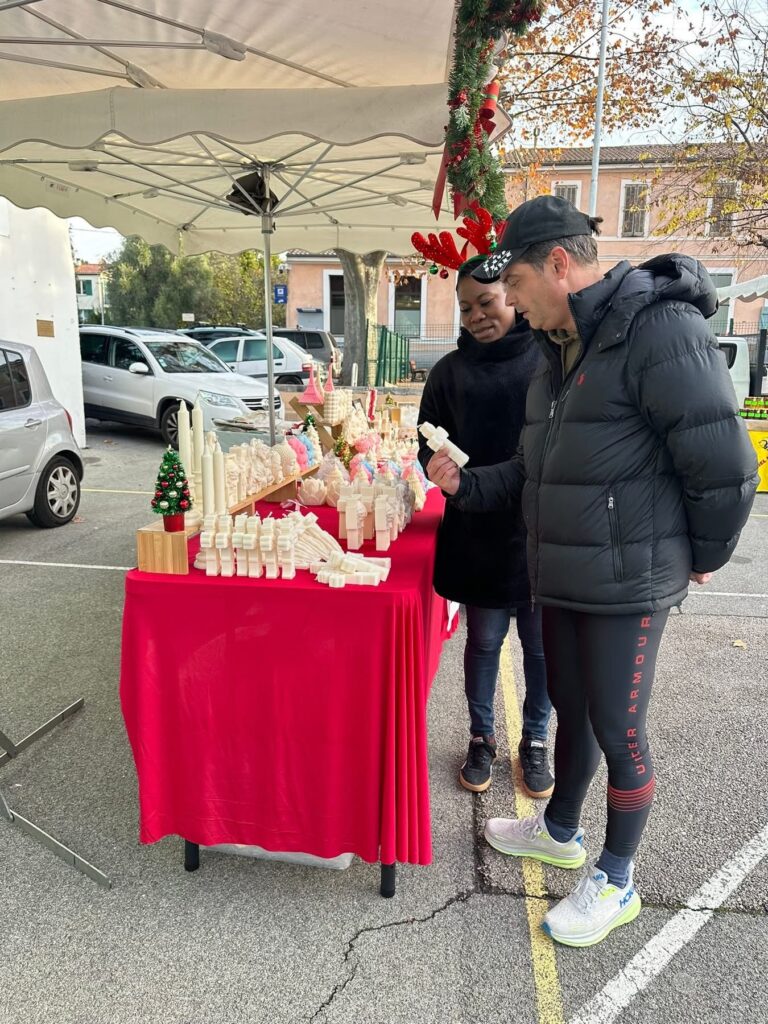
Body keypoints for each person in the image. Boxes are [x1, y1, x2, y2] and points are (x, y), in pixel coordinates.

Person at [427, 195, 758, 947]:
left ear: (557, 265)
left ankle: (617, 877)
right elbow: (533, 470)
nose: (509, 302)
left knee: (617, 728)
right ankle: (561, 830)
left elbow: (726, 464)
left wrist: (702, 555)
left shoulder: (658, 329)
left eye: (514, 284)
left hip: (627, 580)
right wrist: (465, 485)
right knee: (571, 712)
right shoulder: (560, 350)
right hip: (563, 573)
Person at [418, 255, 553, 797]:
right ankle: (481, 736)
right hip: (477, 534)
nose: (476, 315)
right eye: (466, 307)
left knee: (541, 649)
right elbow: (424, 441)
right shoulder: (448, 373)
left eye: (487, 302)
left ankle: (536, 739)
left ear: (511, 298)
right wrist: (434, 468)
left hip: (539, 533)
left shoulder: (547, 358)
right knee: (484, 642)